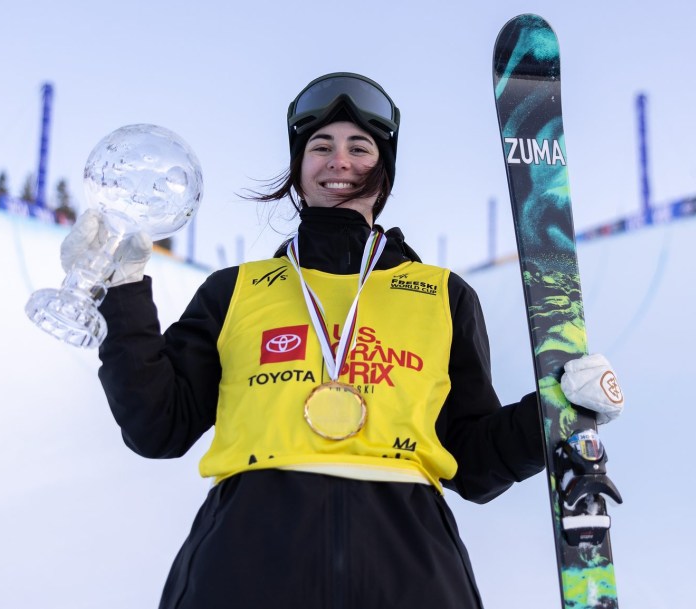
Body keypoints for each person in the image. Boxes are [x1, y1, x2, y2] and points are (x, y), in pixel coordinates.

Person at [62, 72, 624, 609]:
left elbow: (473, 461)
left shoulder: (441, 296)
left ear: (385, 169)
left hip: (408, 565)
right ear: (298, 166)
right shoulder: (236, 291)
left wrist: (555, 414)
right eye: (320, 146)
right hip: (246, 560)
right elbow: (157, 425)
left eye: (360, 146)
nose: (339, 161)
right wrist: (123, 291)